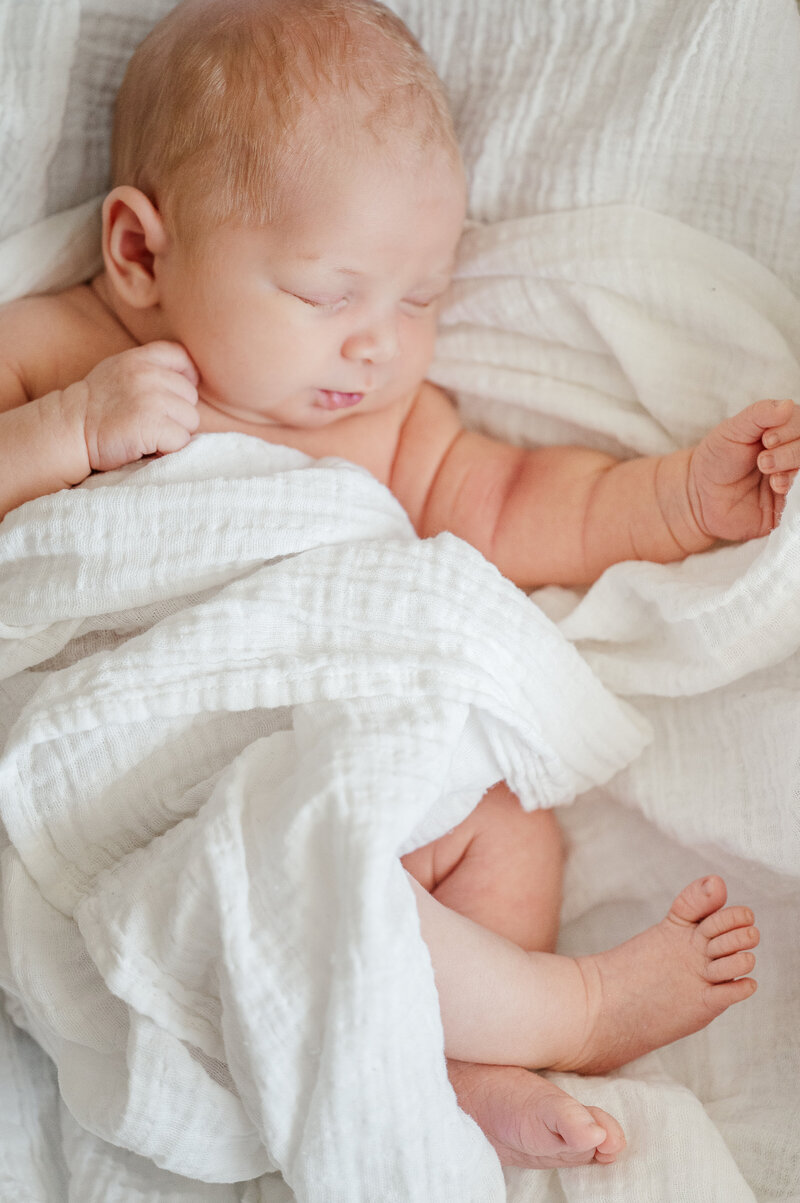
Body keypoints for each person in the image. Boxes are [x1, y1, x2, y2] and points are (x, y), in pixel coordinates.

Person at [0, 0, 780, 1171]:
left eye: (417, 300)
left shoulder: (383, 424)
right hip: (146, 761)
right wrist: (68, 434)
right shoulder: (63, 353)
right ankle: (570, 1008)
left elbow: (516, 507)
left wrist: (674, 501)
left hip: (339, 742)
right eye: (328, 293)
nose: (377, 344)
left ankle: (470, 1068)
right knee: (300, 852)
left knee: (506, 817)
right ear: (141, 252)